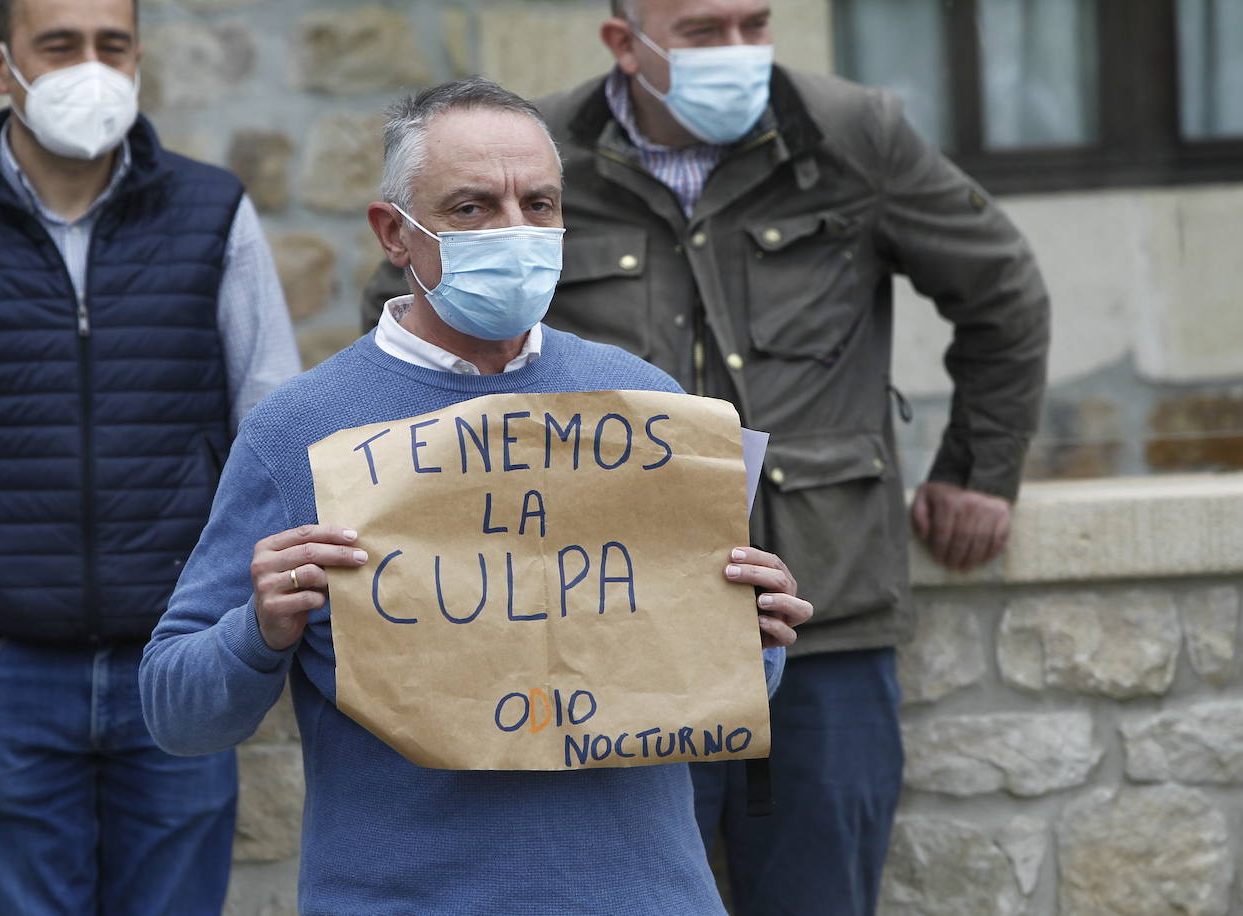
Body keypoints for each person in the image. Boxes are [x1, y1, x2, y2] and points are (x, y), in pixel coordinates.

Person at [356, 3, 1051, 914]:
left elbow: (1003, 290)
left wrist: (976, 468)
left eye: (753, 23)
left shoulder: (851, 135)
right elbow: (412, 317)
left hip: (823, 614)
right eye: (703, 32)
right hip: (611, 625)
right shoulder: (537, 160)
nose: (739, 53)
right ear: (624, 44)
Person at [141, 77, 813, 915]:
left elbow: (699, 682)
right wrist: (258, 628)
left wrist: (756, 634)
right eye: (471, 208)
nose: (515, 231)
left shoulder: (646, 406)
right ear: (395, 232)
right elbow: (176, 711)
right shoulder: (298, 433)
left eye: (538, 204)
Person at [0, 0, 299, 911]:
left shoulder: (212, 211)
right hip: (4, 667)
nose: (89, 67)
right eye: (57, 45)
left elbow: (270, 427)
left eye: (112, 44)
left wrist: (224, 612)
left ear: (138, 56)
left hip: (175, 667)